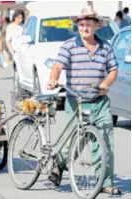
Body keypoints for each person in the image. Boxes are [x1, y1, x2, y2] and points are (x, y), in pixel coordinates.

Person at [47, 7, 122, 196]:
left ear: (97, 26)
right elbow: (57, 66)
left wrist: (106, 83)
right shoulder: (69, 46)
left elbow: (113, 70)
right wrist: (53, 78)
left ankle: (105, 182)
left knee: (105, 142)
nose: (85, 28)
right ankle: (59, 165)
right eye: (81, 25)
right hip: (78, 102)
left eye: (88, 24)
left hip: (100, 101)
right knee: (77, 141)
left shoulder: (106, 47)